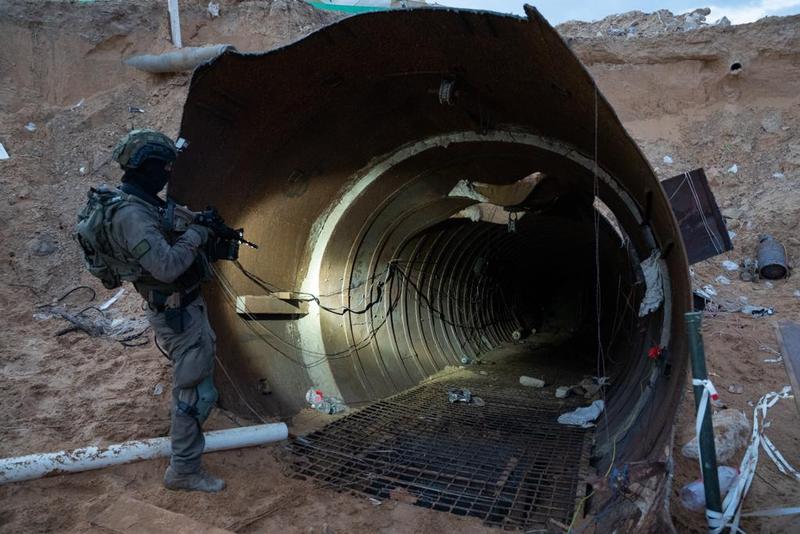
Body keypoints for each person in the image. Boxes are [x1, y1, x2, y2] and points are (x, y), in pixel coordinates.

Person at [80, 129, 224, 492]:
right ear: (145, 168)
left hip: (181, 308)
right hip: (177, 313)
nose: (167, 173)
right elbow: (167, 266)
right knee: (193, 394)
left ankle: (185, 455)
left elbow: (164, 221)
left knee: (197, 386)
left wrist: (195, 221)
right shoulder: (131, 214)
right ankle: (184, 470)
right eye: (163, 166)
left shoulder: (136, 201)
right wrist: (198, 236)